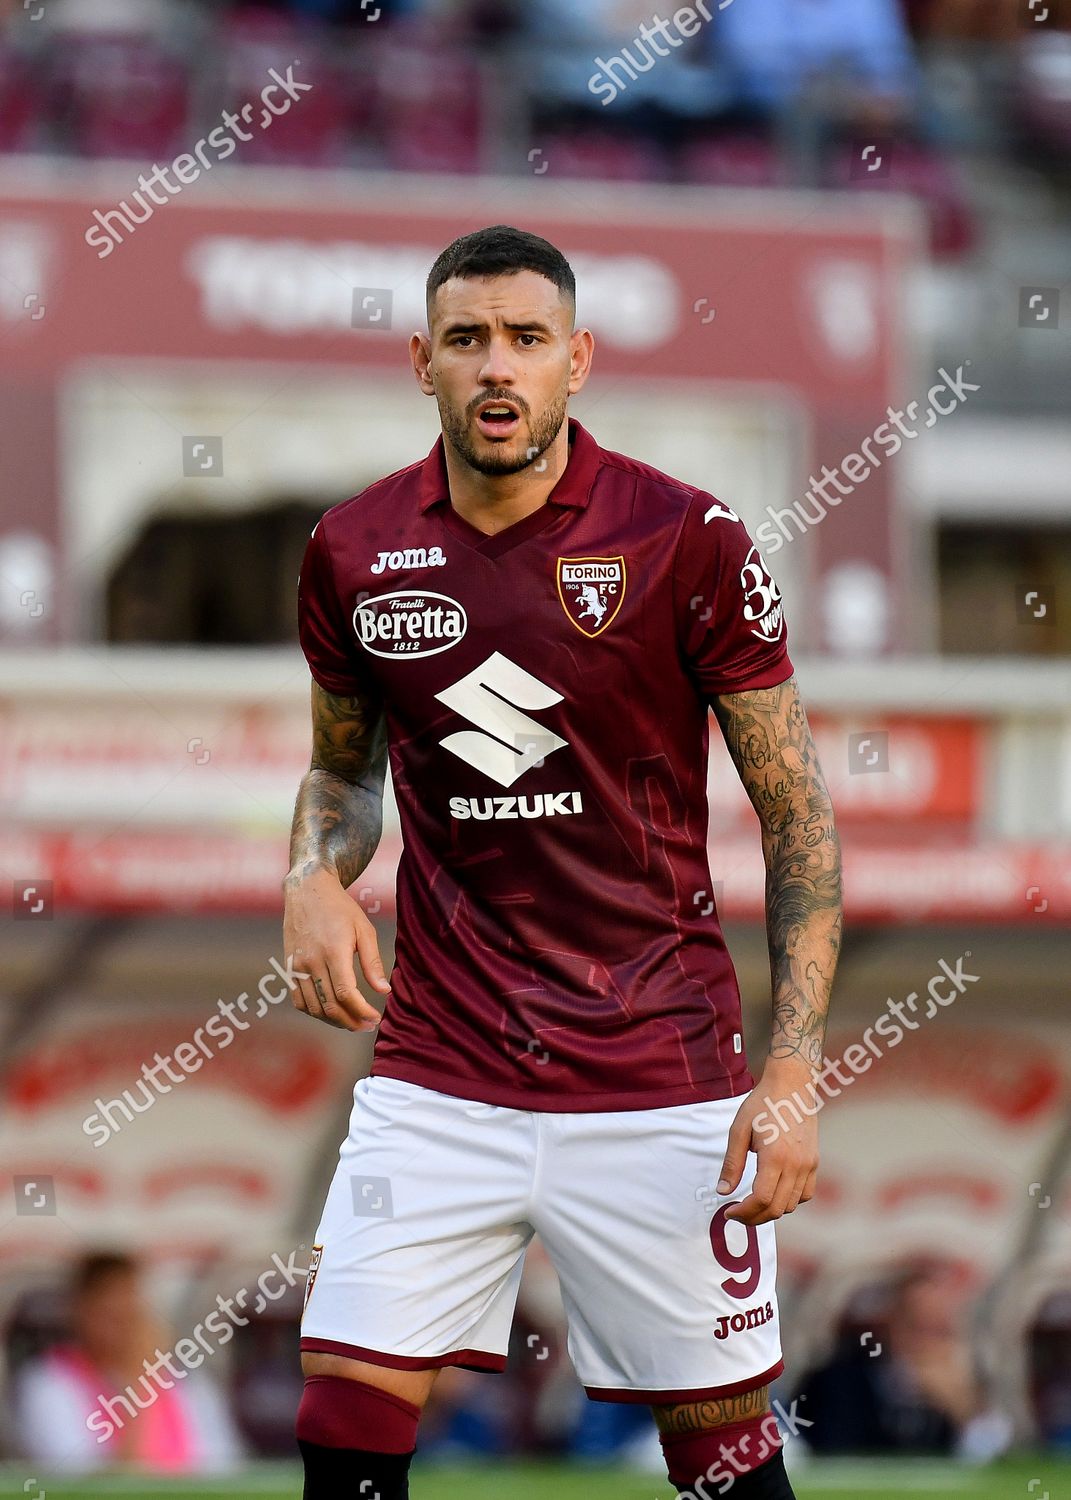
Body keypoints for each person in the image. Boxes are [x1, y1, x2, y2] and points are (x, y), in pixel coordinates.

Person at [284, 224, 842, 1499]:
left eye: (527, 340)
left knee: (722, 1455)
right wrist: (311, 876)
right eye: (469, 340)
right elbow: (340, 774)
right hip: (441, 1068)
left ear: (577, 360)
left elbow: (800, 814)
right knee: (344, 1418)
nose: (498, 368)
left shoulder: (688, 539)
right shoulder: (352, 550)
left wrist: (796, 1066)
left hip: (657, 1066)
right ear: (418, 360)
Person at [14, 1251, 243, 1472]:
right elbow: (90, 1489)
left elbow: (223, 1471)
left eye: (128, 1313)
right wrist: (139, 1385)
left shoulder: (186, 1383)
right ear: (79, 1311)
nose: (122, 1327)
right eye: (108, 1314)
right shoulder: (49, 1384)